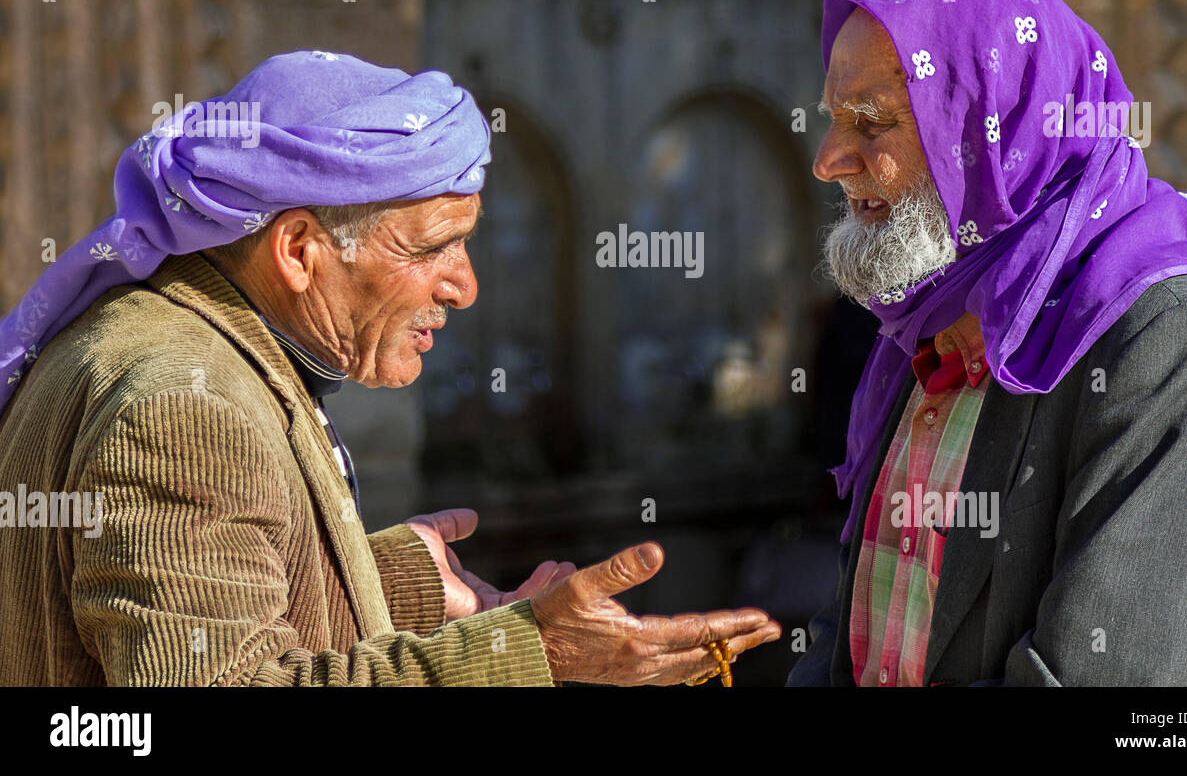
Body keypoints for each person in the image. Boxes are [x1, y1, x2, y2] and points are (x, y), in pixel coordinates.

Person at [0, 51, 780, 685]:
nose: (465, 286)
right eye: (431, 248)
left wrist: (385, 580)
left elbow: (202, 600)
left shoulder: (199, 347)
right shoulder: (185, 406)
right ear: (301, 250)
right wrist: (530, 651)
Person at [788, 0, 1187, 686]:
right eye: (833, 120)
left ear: (996, 136)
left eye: (872, 123)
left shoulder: (1173, 344)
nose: (829, 161)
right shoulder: (934, 324)